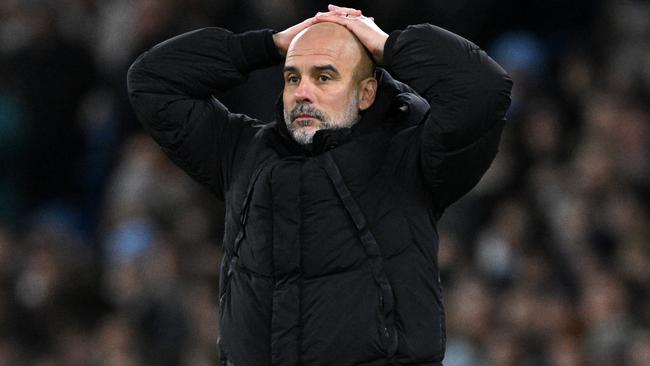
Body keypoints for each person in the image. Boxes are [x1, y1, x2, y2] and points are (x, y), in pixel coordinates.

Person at [127, 4, 512, 365]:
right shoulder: (242, 153)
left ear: (366, 93)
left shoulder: (410, 156)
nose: (302, 93)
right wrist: (267, 45)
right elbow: (152, 81)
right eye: (292, 77)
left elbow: (482, 89)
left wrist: (388, 45)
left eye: (324, 76)